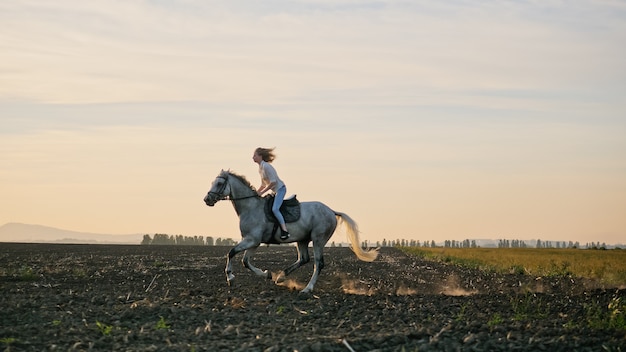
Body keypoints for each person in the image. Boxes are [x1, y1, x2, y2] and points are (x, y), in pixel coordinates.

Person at [253, 147, 290, 240]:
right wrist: (257, 192)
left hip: (280, 189)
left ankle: (285, 231)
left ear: (260, 156)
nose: (253, 157)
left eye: (255, 155)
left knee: (275, 209)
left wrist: (263, 192)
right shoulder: (260, 168)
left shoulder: (266, 166)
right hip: (274, 191)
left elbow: (273, 182)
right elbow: (263, 184)